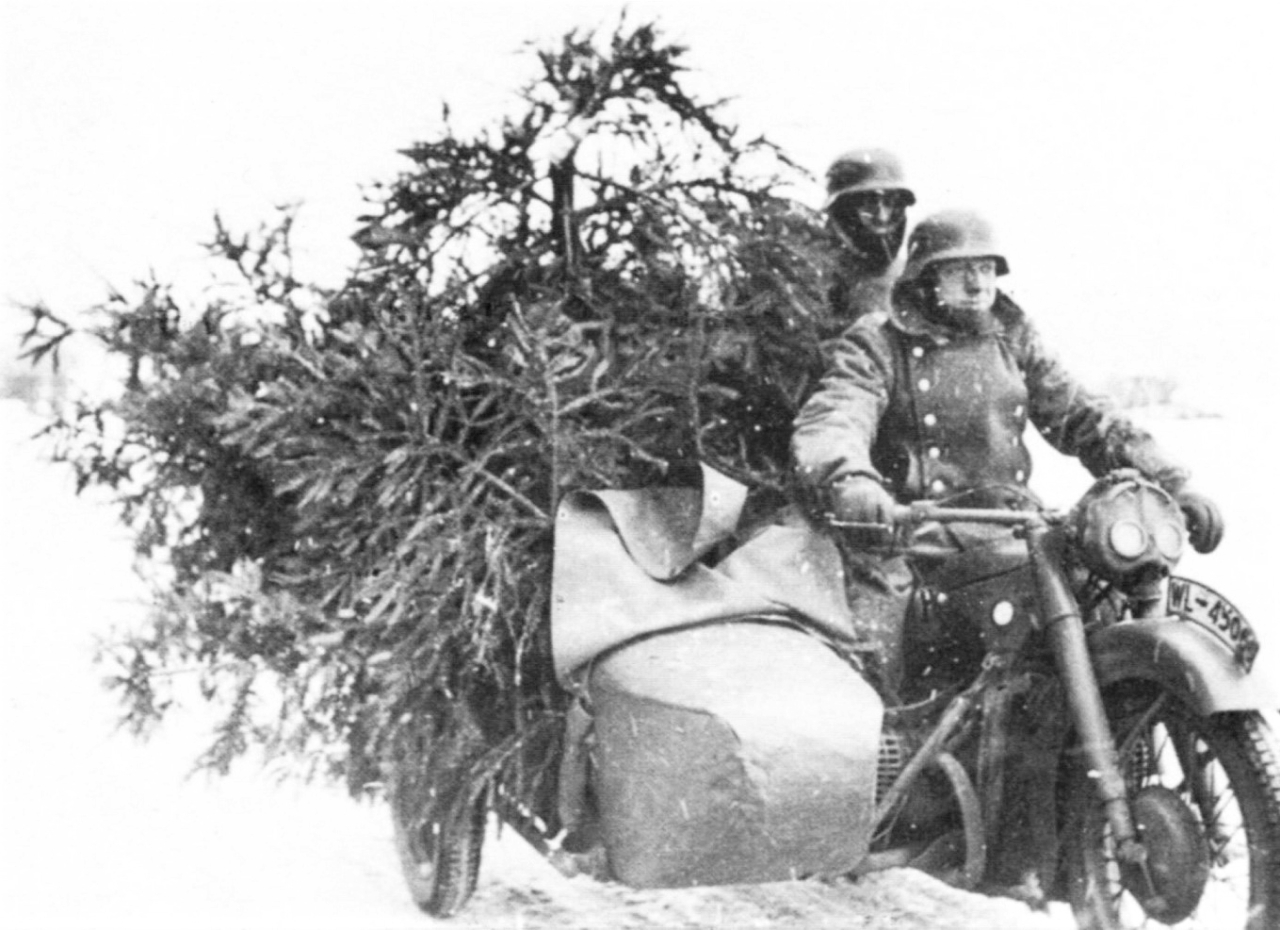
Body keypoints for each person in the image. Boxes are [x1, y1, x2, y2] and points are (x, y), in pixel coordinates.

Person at [791, 208, 1224, 695]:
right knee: (876, 660)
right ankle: (892, 756)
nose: (977, 284)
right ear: (926, 276)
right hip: (912, 533)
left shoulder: (1011, 338)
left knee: (1101, 601)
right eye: (959, 270)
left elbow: (1083, 415)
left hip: (1010, 523)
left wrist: (1171, 481)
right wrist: (851, 480)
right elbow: (835, 416)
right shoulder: (879, 341)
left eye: (987, 268)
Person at [820, 148, 916, 338]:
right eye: (868, 205)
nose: (882, 216)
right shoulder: (807, 274)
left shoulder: (910, 278)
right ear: (842, 210)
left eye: (891, 203)